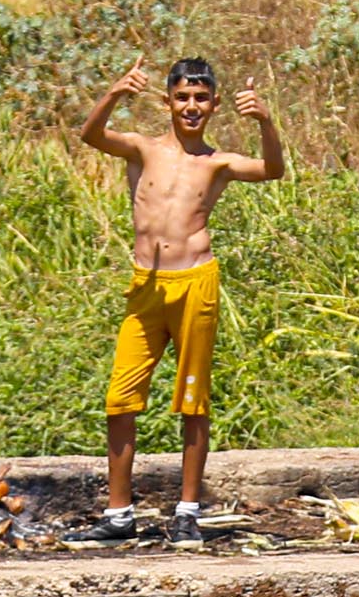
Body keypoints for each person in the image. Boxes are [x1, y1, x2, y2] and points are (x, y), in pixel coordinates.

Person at [75, 57, 290, 537]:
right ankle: (118, 514)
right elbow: (91, 135)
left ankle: (188, 512)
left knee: (192, 402)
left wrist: (266, 121)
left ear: (214, 105)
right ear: (168, 102)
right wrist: (114, 94)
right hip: (146, 286)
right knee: (120, 400)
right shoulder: (143, 150)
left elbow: (272, 169)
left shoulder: (217, 163)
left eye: (201, 99)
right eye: (182, 98)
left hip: (195, 283)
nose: (191, 107)